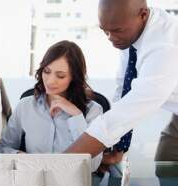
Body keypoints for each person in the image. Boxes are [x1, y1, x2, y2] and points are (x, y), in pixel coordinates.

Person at [66, 0, 178, 162]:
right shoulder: (131, 31)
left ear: (143, 15)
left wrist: (62, 161)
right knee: (165, 164)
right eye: (105, 31)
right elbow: (124, 89)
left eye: (117, 30)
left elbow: (130, 110)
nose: (111, 38)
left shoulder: (164, 48)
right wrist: (119, 147)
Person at [0, 40, 103, 171]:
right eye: (47, 71)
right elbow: (3, 148)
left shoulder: (93, 111)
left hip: (71, 185)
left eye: (60, 76)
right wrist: (20, 157)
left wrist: (76, 115)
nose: (50, 81)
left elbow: (92, 165)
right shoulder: (25, 106)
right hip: (32, 182)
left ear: (74, 77)